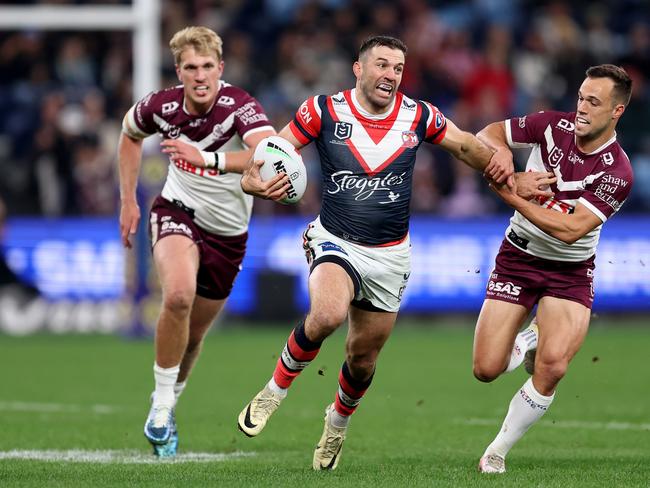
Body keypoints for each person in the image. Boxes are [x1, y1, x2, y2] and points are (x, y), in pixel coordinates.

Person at [235, 35, 547, 471]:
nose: (390, 75)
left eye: (398, 68)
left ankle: (337, 424)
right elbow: (271, 154)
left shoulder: (418, 115)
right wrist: (251, 180)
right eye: (382, 65)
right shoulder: (321, 111)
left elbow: (465, 146)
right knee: (326, 314)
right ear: (358, 69)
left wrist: (509, 174)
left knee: (362, 359)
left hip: (389, 256)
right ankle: (275, 390)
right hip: (334, 239)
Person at [117, 26, 287, 458]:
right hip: (177, 211)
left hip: (228, 235)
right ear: (179, 71)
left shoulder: (239, 106)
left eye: (207, 66)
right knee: (176, 297)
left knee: (194, 336)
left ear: (220, 68)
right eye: (190, 67)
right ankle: (158, 406)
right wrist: (127, 200)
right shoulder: (161, 105)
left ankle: (170, 406)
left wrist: (207, 158)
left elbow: (267, 152)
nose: (200, 75)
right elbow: (129, 135)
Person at [473, 64, 634, 474]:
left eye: (593, 102)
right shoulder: (549, 125)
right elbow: (487, 133)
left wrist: (512, 193)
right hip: (518, 258)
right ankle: (528, 338)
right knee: (486, 370)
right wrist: (506, 157)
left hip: (569, 271)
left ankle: (497, 451)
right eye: (581, 97)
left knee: (554, 365)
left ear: (616, 111)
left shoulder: (618, 171)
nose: (581, 108)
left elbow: (569, 230)